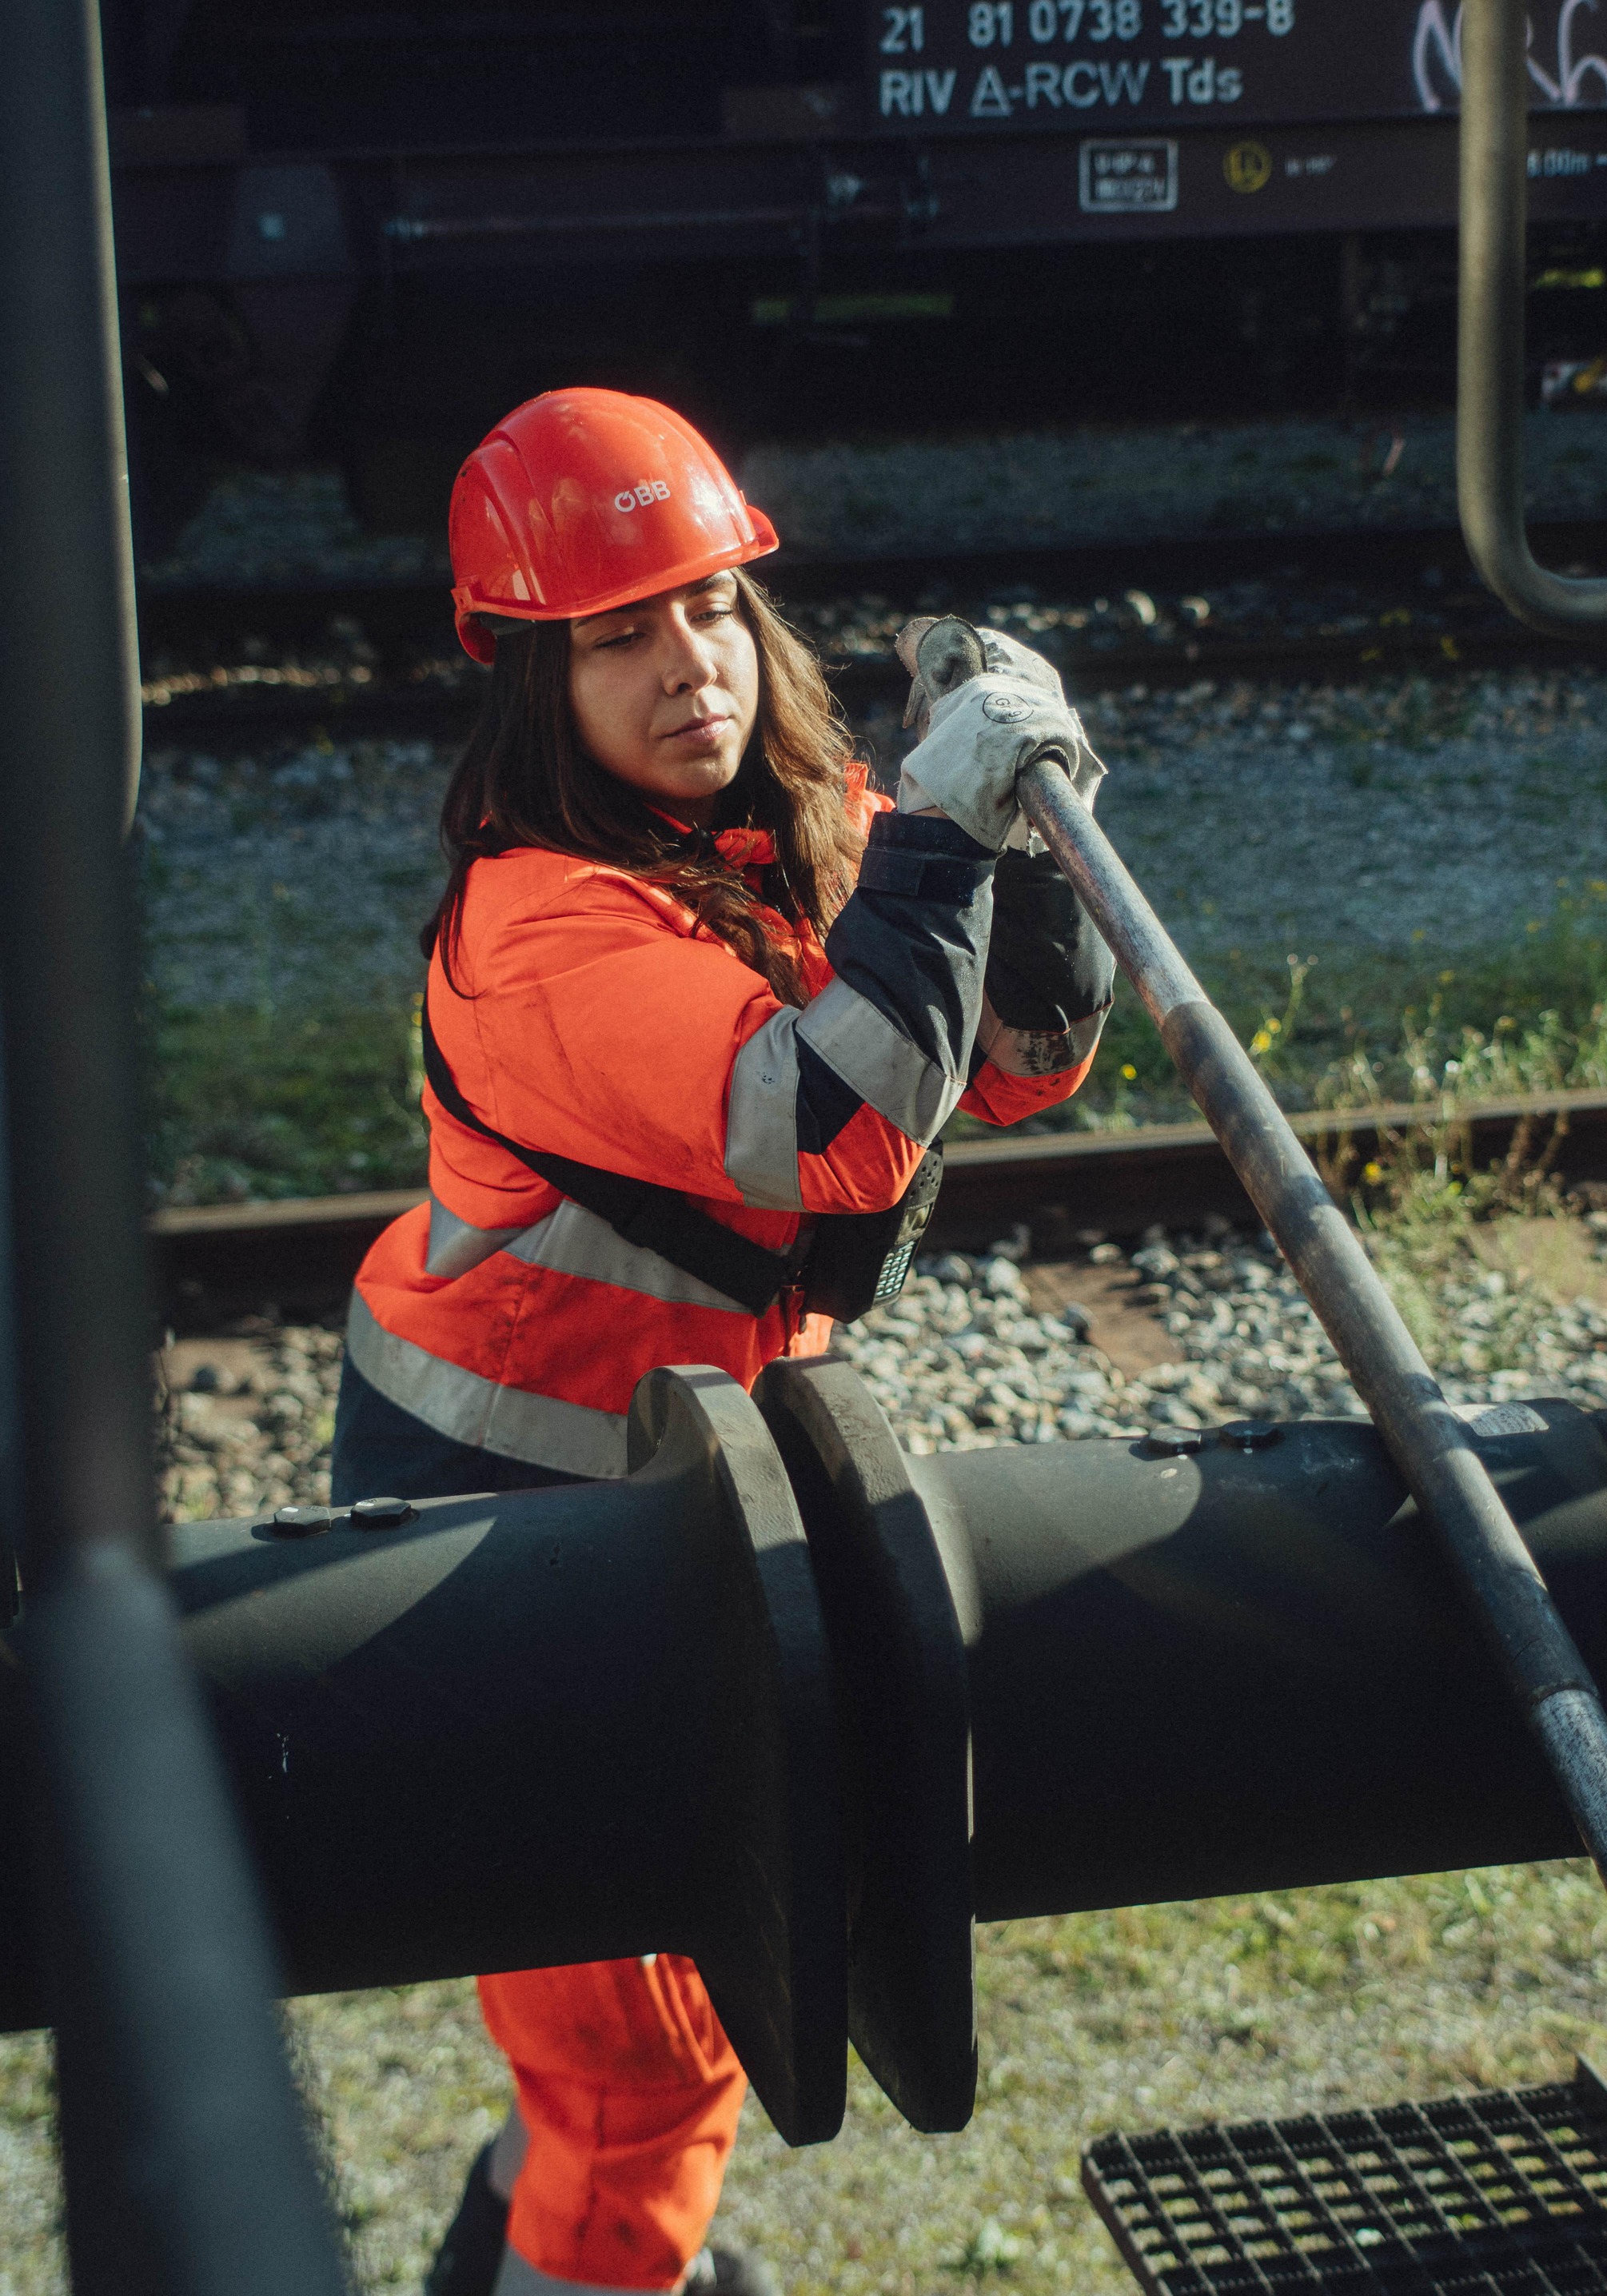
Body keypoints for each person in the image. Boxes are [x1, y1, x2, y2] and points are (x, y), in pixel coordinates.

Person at [331, 387, 1116, 2296]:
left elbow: (1005, 1075)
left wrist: (1022, 839)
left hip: (652, 1484)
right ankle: (593, 2263)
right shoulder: (543, 929)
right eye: (619, 633)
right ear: (535, 676)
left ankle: (537, 2255)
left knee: (613, 1982)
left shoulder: (767, 829)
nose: (688, 668)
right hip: (511, 1526)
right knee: (644, 2058)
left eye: (704, 609)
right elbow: (838, 1124)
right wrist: (938, 831)